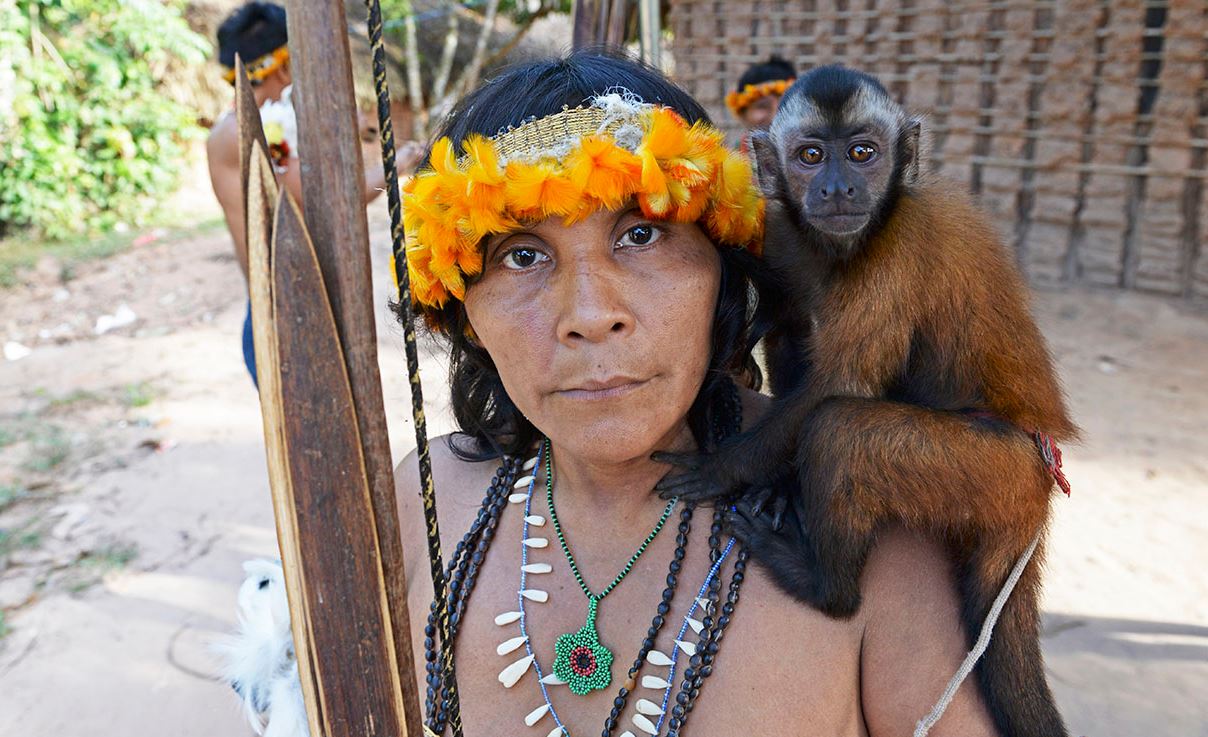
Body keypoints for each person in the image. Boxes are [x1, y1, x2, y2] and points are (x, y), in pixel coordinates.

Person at [394, 50, 999, 736]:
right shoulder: (422, 502)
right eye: (522, 254)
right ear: (461, 306)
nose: (591, 314)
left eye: (640, 233)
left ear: (723, 262)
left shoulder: (871, 528)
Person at [206, 1, 422, 387]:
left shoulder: (244, 127)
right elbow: (331, 202)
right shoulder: (253, 131)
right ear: (283, 65)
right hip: (283, 317)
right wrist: (397, 164)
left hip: (288, 309)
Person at [726, 55, 796, 149]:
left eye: (786, 104)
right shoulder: (727, 162)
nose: (776, 115)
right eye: (762, 106)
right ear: (742, 114)